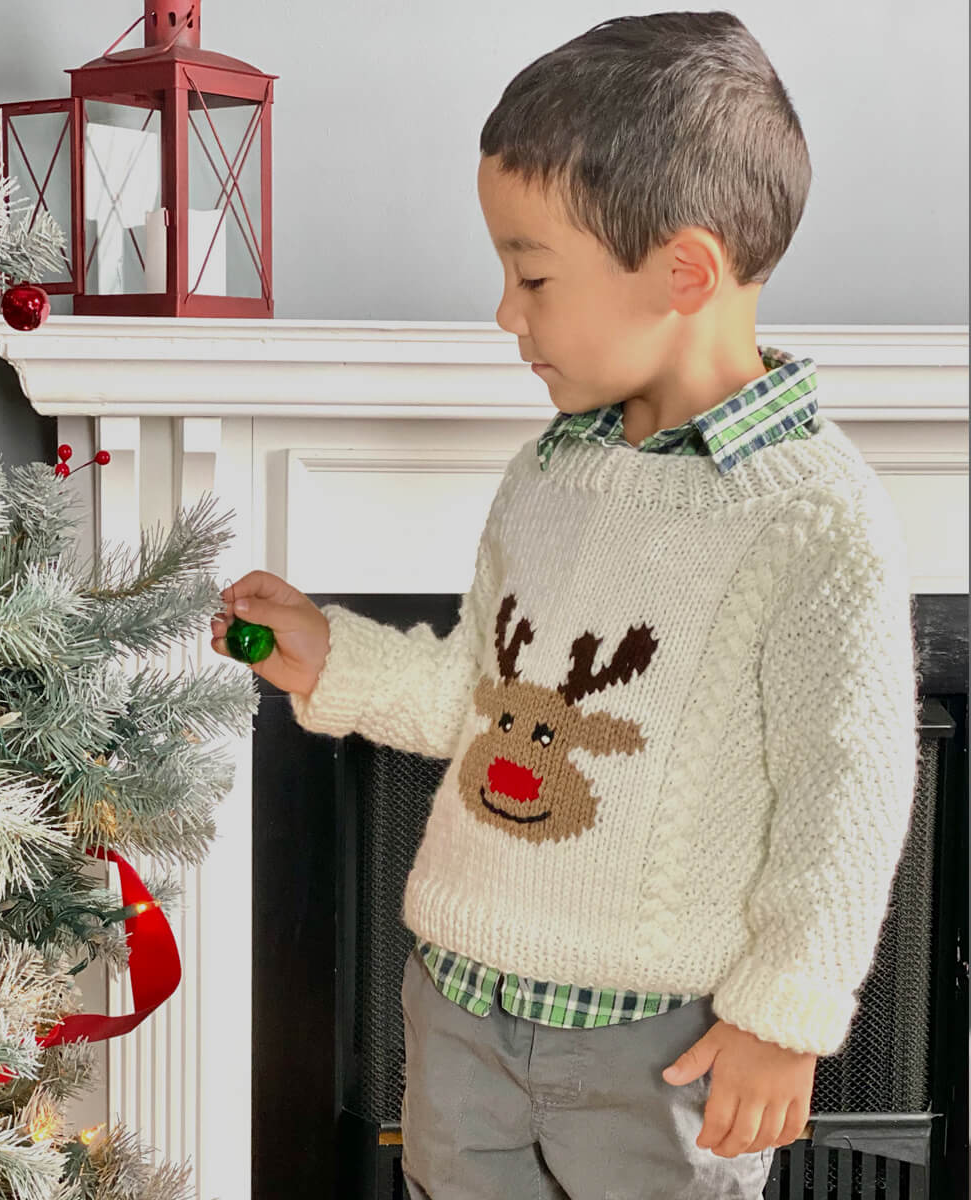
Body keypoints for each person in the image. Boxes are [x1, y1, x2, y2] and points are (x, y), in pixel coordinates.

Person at [210, 11, 921, 1199]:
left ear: (683, 270)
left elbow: (846, 795)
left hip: (662, 1047)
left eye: (532, 273)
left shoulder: (814, 518)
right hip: (461, 1012)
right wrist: (336, 660)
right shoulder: (549, 470)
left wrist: (785, 1016)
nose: (506, 311)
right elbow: (485, 700)